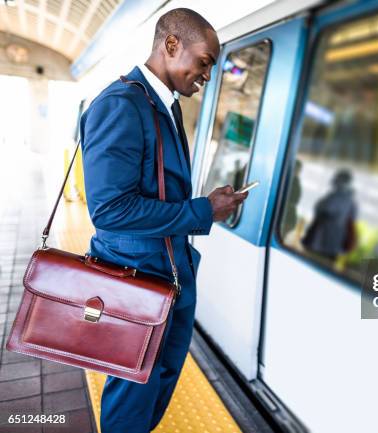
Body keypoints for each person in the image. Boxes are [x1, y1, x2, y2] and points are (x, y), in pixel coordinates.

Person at [79, 8, 247, 433]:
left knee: (154, 391)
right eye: (205, 61)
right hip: (133, 283)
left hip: (167, 276)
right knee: (131, 403)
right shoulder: (121, 105)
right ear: (171, 45)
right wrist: (204, 210)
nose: (207, 74)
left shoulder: (161, 106)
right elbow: (111, 210)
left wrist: (206, 207)